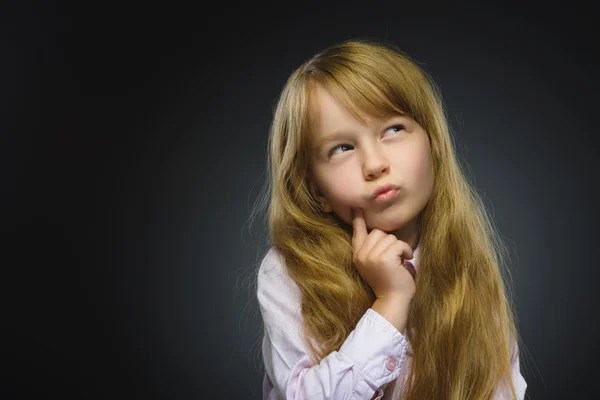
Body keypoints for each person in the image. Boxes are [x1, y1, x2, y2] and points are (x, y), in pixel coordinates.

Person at [253, 39, 528, 399]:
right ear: (315, 189)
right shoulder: (288, 272)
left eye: (393, 129)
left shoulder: (466, 263)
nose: (374, 164)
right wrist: (391, 301)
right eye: (342, 148)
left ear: (432, 142)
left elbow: (502, 389)